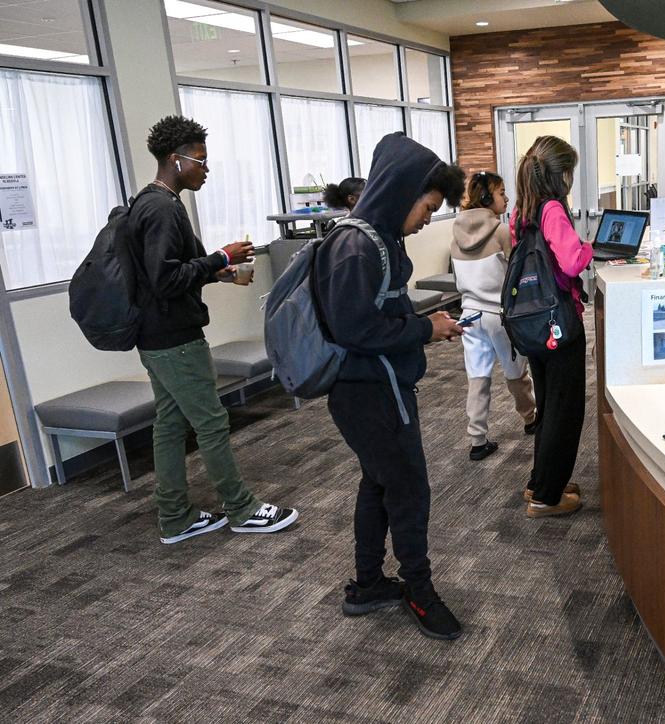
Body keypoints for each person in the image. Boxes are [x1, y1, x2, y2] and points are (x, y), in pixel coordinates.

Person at [315, 132, 467, 641]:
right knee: (408, 490)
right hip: (370, 393)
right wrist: (426, 329)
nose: (428, 218)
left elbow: (377, 312)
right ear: (403, 191)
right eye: (427, 206)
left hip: (375, 387)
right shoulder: (357, 246)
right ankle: (419, 593)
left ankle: (366, 585)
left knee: (379, 483)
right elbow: (354, 329)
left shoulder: (376, 239)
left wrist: (426, 321)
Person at [132, 115, 298, 544]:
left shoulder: (153, 202)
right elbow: (164, 280)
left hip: (156, 335)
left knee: (170, 424)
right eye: (200, 161)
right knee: (211, 422)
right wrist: (220, 258)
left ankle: (175, 517)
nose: (206, 169)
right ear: (175, 159)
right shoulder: (163, 209)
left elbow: (169, 274)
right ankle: (241, 508)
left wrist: (218, 272)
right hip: (175, 338)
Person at [510, 136, 593, 518]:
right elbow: (573, 262)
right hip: (560, 323)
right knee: (565, 409)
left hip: (534, 325)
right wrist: (590, 246)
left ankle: (542, 482)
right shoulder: (553, 209)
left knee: (548, 406)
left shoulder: (521, 210)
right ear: (561, 175)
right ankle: (547, 497)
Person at [451, 171, 538, 461]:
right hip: (497, 315)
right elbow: (516, 273)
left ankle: (477, 440)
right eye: (502, 193)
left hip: (468, 316)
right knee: (516, 373)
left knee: (477, 377)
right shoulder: (501, 231)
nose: (507, 198)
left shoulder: (456, 231)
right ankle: (530, 419)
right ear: (487, 198)